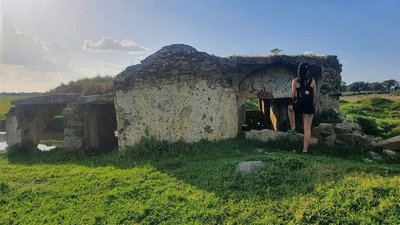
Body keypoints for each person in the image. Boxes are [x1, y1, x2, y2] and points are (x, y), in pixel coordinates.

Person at [287, 62, 317, 154]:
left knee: (289, 108)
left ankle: (293, 127)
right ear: (308, 71)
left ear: (299, 71)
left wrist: (293, 103)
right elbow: (315, 96)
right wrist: (313, 105)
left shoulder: (295, 81)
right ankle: (305, 150)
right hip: (309, 106)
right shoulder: (312, 81)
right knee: (307, 129)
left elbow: (293, 95)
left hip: (300, 105)